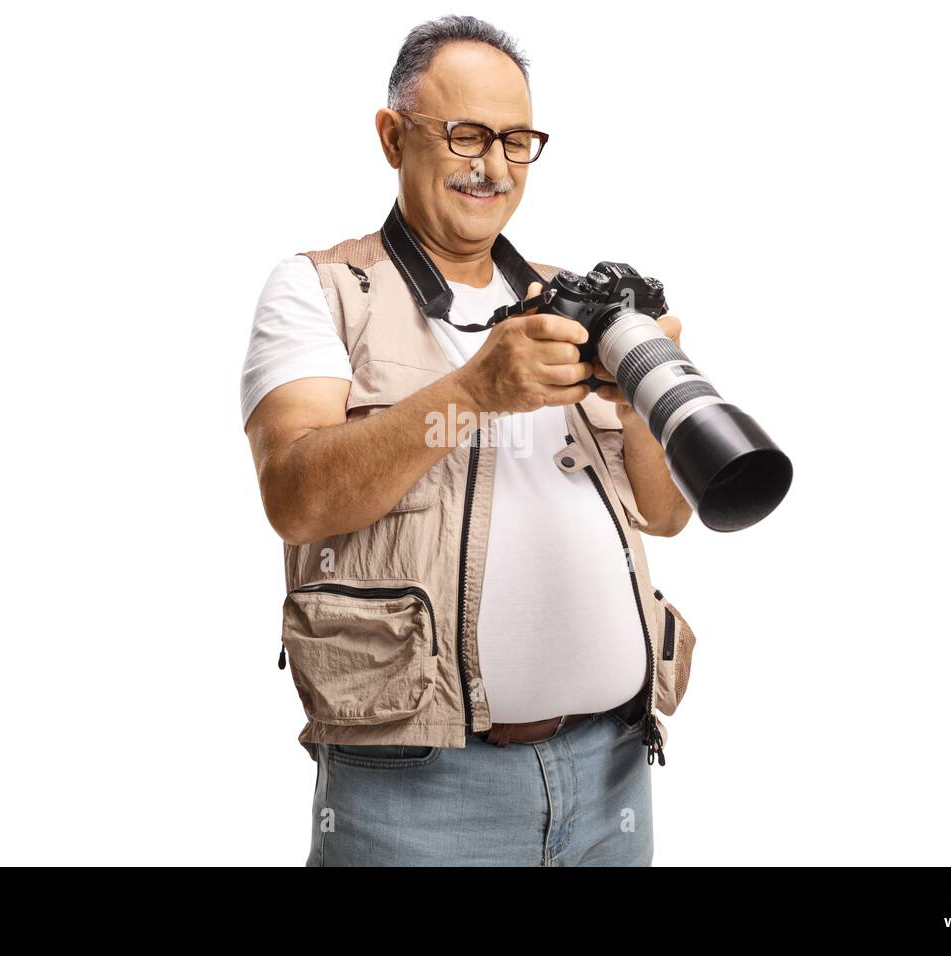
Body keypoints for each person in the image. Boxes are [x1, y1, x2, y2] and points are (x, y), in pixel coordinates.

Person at [241, 15, 699, 867]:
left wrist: (641, 400)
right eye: (465, 135)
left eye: (517, 140)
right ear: (392, 137)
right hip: (415, 791)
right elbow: (296, 497)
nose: (493, 167)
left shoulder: (578, 302)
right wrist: (474, 390)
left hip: (612, 774)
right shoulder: (323, 290)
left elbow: (667, 515)